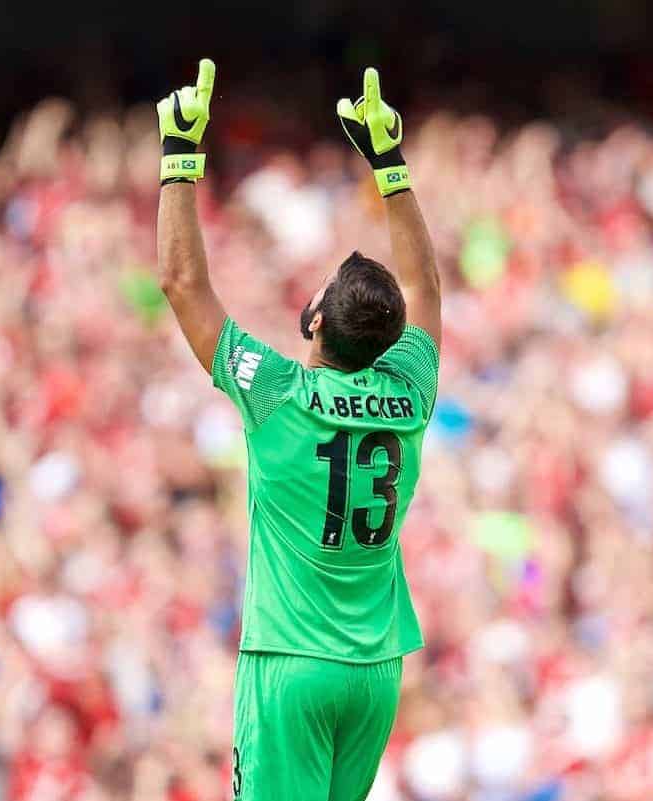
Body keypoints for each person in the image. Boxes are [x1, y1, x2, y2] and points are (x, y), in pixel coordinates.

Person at [155, 60, 442, 801]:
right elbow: (427, 288)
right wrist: (389, 163)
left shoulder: (277, 392)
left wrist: (180, 156)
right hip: (375, 669)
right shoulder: (408, 389)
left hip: (289, 661)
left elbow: (182, 285)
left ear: (315, 319)